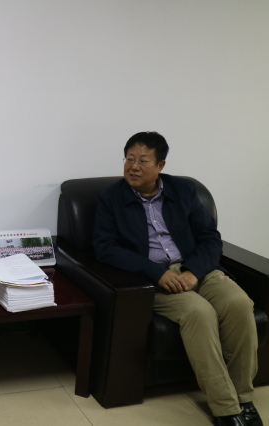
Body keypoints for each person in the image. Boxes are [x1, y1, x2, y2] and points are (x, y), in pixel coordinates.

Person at [92, 131, 262, 426]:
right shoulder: (111, 198)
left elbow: (210, 237)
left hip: (197, 269)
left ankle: (243, 398)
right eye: (129, 159)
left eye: (143, 161)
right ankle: (226, 408)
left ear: (160, 165)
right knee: (199, 312)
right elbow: (105, 248)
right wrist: (157, 273)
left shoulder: (183, 190)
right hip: (151, 276)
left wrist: (193, 271)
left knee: (239, 304)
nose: (134, 167)